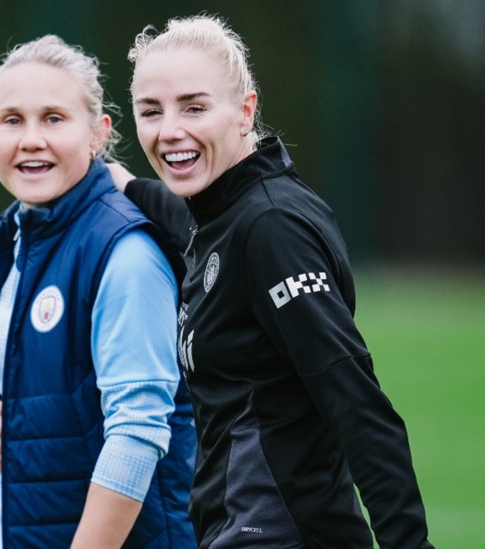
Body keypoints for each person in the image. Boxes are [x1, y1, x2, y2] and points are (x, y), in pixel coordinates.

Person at [109, 14, 435, 548]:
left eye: (194, 107)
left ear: (244, 111)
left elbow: (357, 402)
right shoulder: (222, 209)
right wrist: (116, 181)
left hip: (278, 533)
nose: (169, 130)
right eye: (151, 111)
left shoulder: (270, 228)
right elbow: (186, 218)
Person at [0, 34, 196, 548]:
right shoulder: (22, 236)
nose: (30, 139)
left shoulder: (125, 251)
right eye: (12, 120)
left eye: (54, 118)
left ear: (98, 134)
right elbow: (21, 371)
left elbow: (137, 432)